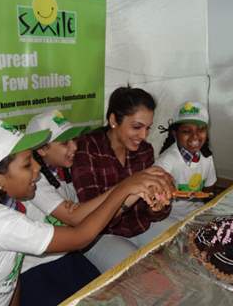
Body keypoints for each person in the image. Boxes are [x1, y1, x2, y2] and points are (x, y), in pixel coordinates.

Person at [0, 117, 173, 306]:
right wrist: (126, 187)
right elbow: (80, 233)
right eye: (27, 165)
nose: (36, 171)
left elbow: (9, 278)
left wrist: (131, 192)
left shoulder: (5, 208)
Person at [71, 86, 176, 272]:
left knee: (181, 246)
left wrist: (158, 206)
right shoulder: (87, 148)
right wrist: (131, 187)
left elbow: (152, 210)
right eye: (137, 127)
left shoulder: (144, 150)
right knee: (139, 273)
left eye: (148, 128)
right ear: (113, 120)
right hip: (102, 235)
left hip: (139, 225)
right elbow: (93, 219)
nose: (144, 136)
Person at [155, 101, 217, 220]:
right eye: (187, 131)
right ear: (175, 133)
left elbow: (209, 189)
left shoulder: (207, 157)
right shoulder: (166, 162)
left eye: (201, 129)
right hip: (169, 218)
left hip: (196, 212)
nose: (195, 136)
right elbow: (158, 202)